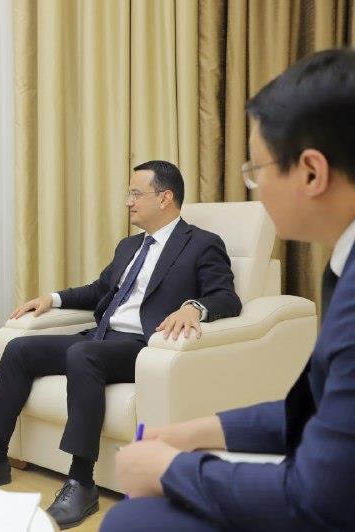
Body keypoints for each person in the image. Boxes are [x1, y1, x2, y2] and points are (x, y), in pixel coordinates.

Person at [103, 48, 355, 532]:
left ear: (311, 172)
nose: (253, 187)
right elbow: (318, 411)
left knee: (131, 521)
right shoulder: (343, 262)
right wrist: (197, 431)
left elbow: (319, 499)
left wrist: (172, 470)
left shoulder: (202, 244)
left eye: (256, 170)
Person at [0, 160, 242, 529]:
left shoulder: (201, 243)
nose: (129, 202)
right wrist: (53, 299)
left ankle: (81, 482)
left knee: (82, 354)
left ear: (165, 198)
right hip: (100, 338)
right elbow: (99, 291)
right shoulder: (129, 246)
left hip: (143, 346)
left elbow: (226, 297)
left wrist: (193, 307)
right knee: (20, 349)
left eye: (136, 194)